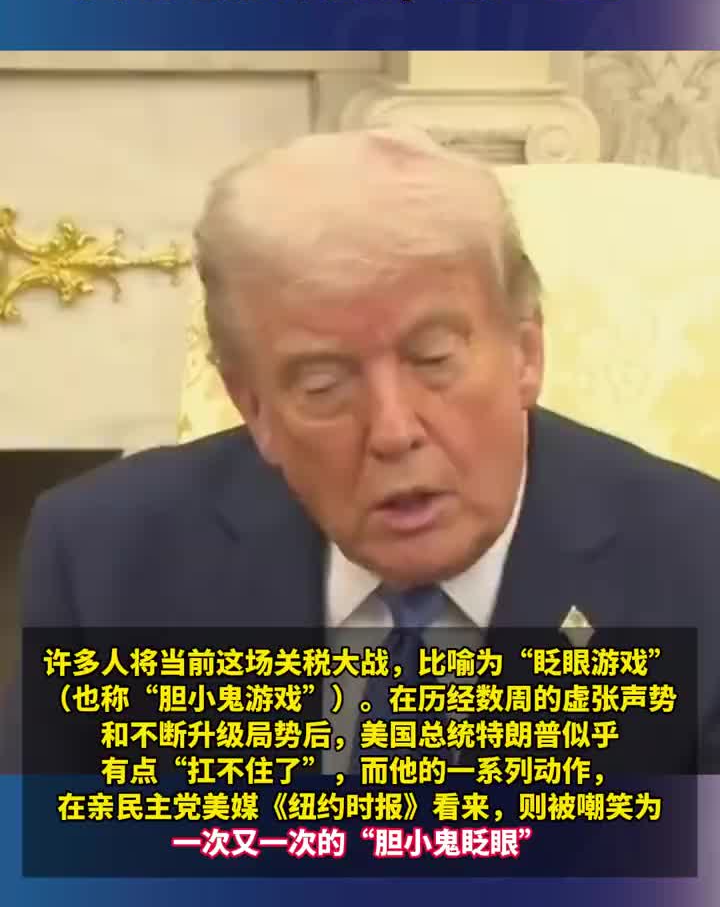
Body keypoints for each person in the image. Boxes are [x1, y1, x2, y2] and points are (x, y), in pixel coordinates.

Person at [6, 127, 720, 772]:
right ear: (254, 405)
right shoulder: (107, 562)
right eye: (324, 385)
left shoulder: (698, 566)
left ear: (525, 352)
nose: (393, 430)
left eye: (434, 360)